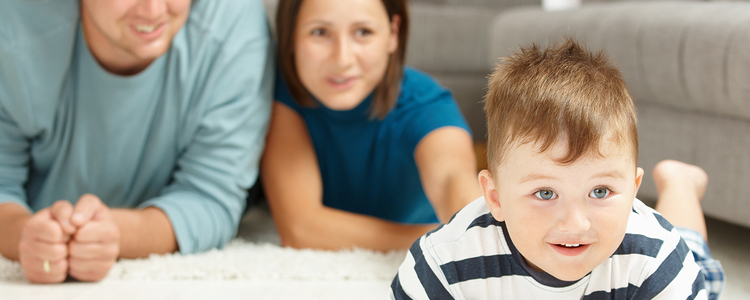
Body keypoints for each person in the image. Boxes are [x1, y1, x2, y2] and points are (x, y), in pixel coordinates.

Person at [390, 39, 724, 299]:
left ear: (634, 190)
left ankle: (679, 184)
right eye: (545, 193)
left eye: (600, 191)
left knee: (696, 257)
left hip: (672, 263)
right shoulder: (445, 262)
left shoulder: (658, 259)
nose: (575, 223)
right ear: (495, 197)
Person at [0, 0, 273, 283]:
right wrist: (27, 237)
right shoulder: (13, 29)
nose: (153, 10)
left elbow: (211, 196)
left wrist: (115, 234)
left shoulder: (235, 24)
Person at [261, 0, 481, 251]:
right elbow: (301, 229)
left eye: (363, 32)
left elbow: (452, 180)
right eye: (320, 32)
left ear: (393, 33)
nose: (342, 59)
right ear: (290, 37)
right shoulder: (281, 92)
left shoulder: (427, 104)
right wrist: (443, 241)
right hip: (425, 235)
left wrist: (473, 232)